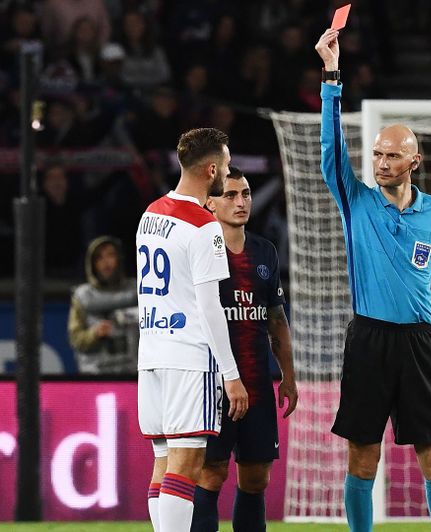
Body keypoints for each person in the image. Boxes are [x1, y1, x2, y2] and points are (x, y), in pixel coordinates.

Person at [314, 28, 431, 532]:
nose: (381, 163)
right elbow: (331, 152)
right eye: (377, 154)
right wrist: (331, 78)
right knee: (362, 456)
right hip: (369, 339)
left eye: (392, 156)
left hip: (420, 343)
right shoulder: (356, 201)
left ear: (414, 161)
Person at [137, 128, 249, 532]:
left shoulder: (151, 214)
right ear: (212, 170)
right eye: (227, 164)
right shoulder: (203, 225)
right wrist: (231, 375)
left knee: (164, 463)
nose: (228, 172)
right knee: (186, 466)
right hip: (188, 357)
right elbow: (209, 306)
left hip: (151, 355)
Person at [191, 167, 298, 532]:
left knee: (256, 478)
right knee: (211, 473)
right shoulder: (199, 251)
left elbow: (276, 320)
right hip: (213, 384)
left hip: (256, 384)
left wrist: (288, 377)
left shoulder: (264, 251)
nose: (241, 202)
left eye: (246, 194)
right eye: (231, 195)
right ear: (210, 202)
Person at [68, 236, 138, 374]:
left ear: (119, 258)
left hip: (132, 374)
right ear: (92, 264)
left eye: (110, 255)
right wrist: (94, 334)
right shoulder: (82, 296)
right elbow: (75, 339)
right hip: (95, 375)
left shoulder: (137, 290)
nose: (106, 262)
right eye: (99, 258)